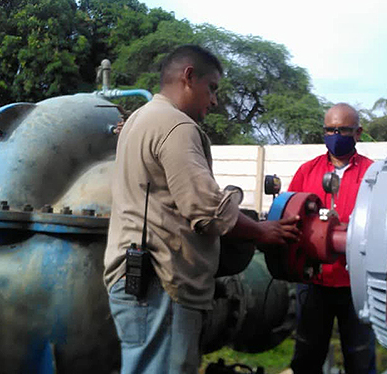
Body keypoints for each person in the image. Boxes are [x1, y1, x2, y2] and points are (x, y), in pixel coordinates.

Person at [103, 45, 300, 374]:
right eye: (212, 88)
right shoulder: (176, 127)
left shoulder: (138, 119)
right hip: (162, 282)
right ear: (189, 77)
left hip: (132, 277)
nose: (214, 100)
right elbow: (207, 212)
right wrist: (262, 231)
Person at [288, 103, 376, 374]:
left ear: (358, 132)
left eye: (343, 130)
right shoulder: (307, 171)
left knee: (360, 357)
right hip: (314, 280)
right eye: (330, 129)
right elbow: (290, 214)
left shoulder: (374, 175)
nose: (335, 135)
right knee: (307, 353)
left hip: (357, 284)